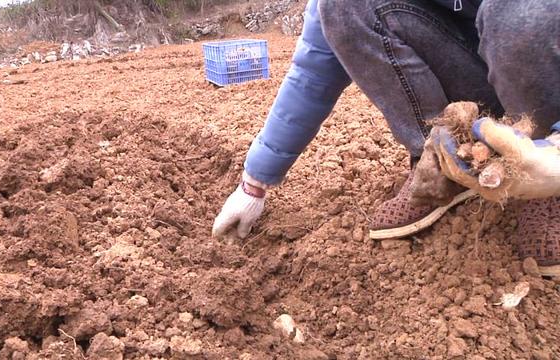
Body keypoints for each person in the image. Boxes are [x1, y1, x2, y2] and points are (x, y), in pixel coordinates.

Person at [211, 0, 560, 275]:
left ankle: (541, 183)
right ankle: (440, 162)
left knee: (524, 13)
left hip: (540, 78)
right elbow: (312, 72)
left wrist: (554, 150)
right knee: (343, 6)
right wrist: (253, 182)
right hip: (474, 70)